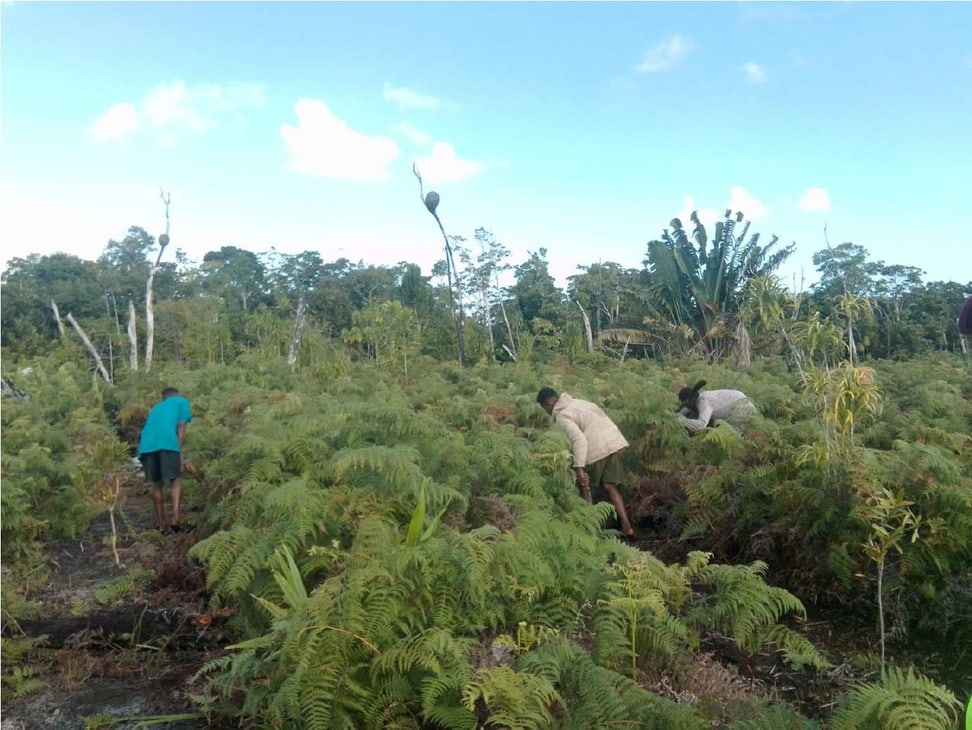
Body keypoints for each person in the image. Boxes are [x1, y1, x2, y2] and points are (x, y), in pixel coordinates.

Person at [536, 387, 635, 538]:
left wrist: (579, 468)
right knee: (609, 486)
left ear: (547, 406)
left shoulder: (562, 416)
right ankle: (627, 527)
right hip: (614, 443)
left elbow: (579, 440)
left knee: (584, 486)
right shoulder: (579, 402)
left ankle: (589, 531)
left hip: (597, 448)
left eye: (545, 409)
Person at [137, 387, 195, 534]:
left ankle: (162, 524)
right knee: (176, 480)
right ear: (176, 395)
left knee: (156, 483)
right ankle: (175, 520)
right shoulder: (181, 402)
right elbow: (181, 428)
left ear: (163, 398)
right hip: (168, 443)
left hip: (146, 446)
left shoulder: (156, 408)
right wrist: (180, 457)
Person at [677, 380, 757, 433]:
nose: (685, 405)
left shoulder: (704, 402)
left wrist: (681, 420)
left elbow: (701, 425)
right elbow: (687, 409)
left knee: (733, 437)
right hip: (740, 400)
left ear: (691, 400)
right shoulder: (701, 396)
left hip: (741, 408)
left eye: (685, 403)